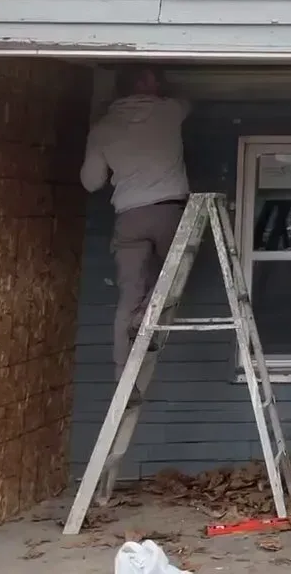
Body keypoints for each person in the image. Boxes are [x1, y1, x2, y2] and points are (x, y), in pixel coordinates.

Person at [80, 66, 191, 378]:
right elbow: (187, 103)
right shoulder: (169, 110)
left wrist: (101, 128)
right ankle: (147, 314)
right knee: (174, 276)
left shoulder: (103, 128)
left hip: (129, 216)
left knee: (129, 293)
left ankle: (122, 370)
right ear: (147, 84)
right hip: (168, 211)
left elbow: (91, 183)